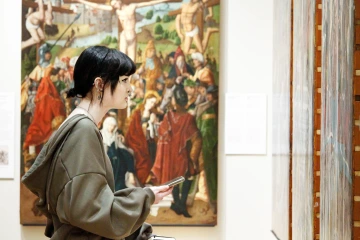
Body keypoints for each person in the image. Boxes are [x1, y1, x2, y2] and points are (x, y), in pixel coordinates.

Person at [21, 46, 172, 239]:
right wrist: (145, 197)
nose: (130, 88)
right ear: (100, 84)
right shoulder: (83, 130)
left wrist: (146, 196)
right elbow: (94, 213)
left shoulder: (78, 124)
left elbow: (89, 205)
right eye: (124, 80)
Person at [151, 86, 202, 218]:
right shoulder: (185, 117)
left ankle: (180, 204)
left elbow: (162, 131)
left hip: (174, 154)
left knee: (179, 178)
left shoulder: (171, 116)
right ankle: (180, 204)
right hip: (179, 153)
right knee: (183, 178)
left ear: (175, 100)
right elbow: (196, 136)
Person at [75, 0, 174, 61]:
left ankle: (129, 84)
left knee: (132, 60)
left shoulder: (132, 7)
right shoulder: (117, 10)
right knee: (122, 58)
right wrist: (80, 1)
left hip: (132, 35)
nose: (114, 6)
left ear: (119, 0)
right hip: (124, 35)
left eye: (115, 3)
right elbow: (97, 6)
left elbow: (149, 3)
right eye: (113, 5)